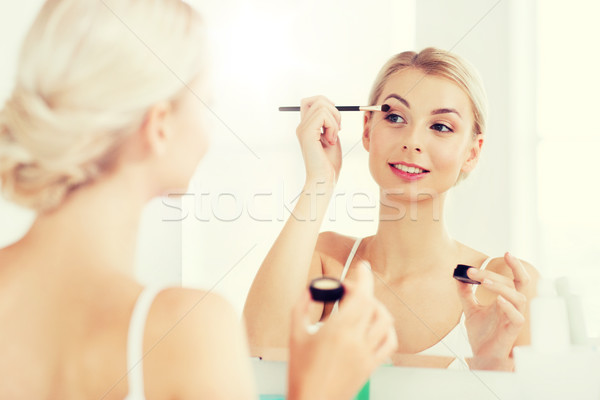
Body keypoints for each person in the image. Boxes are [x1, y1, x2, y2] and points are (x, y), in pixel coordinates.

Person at [0, 1, 397, 399]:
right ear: (158, 127)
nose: (209, 126)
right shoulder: (186, 332)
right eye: (206, 104)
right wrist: (320, 389)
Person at [244, 48, 539, 370]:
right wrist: (320, 180)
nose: (412, 141)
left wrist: (489, 363)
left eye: (441, 126)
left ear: (472, 152)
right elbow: (259, 349)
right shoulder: (326, 262)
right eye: (395, 117)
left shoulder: (503, 285)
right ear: (367, 129)